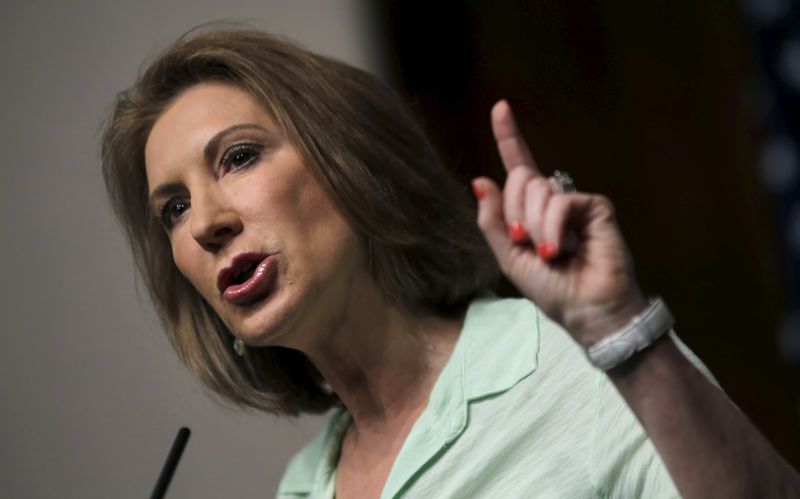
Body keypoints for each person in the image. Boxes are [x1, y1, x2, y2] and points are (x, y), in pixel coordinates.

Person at [101, 28, 800, 498]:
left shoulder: (579, 366)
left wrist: (619, 327)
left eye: (240, 156)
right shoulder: (303, 485)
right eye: (173, 209)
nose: (207, 224)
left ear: (354, 165)